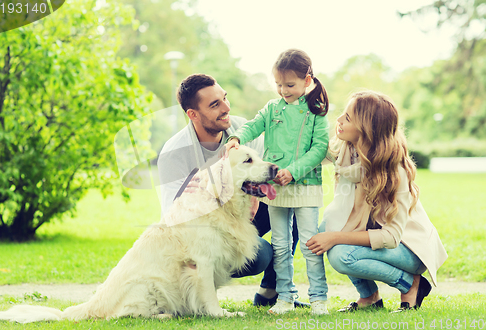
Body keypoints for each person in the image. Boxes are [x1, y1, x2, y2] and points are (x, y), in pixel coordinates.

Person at [156, 73, 306, 308]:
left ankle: (271, 292)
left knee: (294, 206)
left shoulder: (241, 128)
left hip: (244, 212)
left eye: (224, 98)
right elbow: (172, 218)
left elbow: (265, 170)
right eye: (215, 105)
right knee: (261, 255)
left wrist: (256, 194)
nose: (226, 107)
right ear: (192, 114)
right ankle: (203, 291)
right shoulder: (174, 153)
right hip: (203, 231)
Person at [306, 91, 448, 312]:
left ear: (367, 130)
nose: (339, 120)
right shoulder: (347, 149)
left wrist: (334, 237)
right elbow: (311, 152)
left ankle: (411, 284)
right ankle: (370, 297)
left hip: (408, 248)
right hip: (375, 234)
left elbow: (391, 237)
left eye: (348, 118)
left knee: (341, 254)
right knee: (328, 226)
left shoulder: (394, 170)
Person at [226, 49, 330, 315]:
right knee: (281, 246)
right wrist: (236, 138)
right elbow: (252, 125)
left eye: (290, 84)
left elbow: (318, 149)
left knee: (309, 244)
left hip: (305, 188)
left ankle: (319, 298)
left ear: (308, 80)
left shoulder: (316, 112)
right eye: (279, 84)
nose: (283, 90)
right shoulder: (272, 109)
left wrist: (293, 171)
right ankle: (284, 296)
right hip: (276, 191)